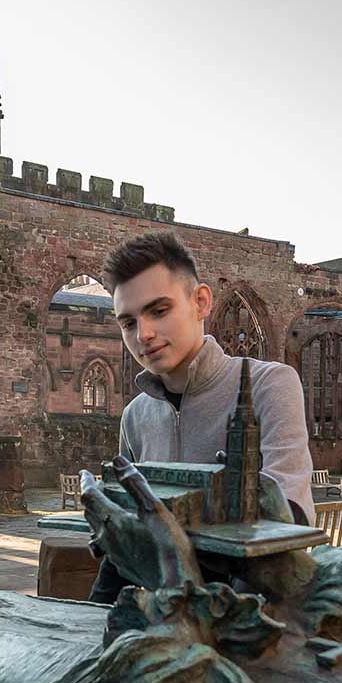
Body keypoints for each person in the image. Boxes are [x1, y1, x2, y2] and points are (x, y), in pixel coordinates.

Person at [87, 232, 314, 605]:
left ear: (201, 302)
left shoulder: (270, 385)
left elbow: (286, 517)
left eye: (159, 311)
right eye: (128, 323)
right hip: (169, 616)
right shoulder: (135, 416)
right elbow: (129, 536)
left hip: (257, 615)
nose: (143, 334)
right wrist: (89, 616)